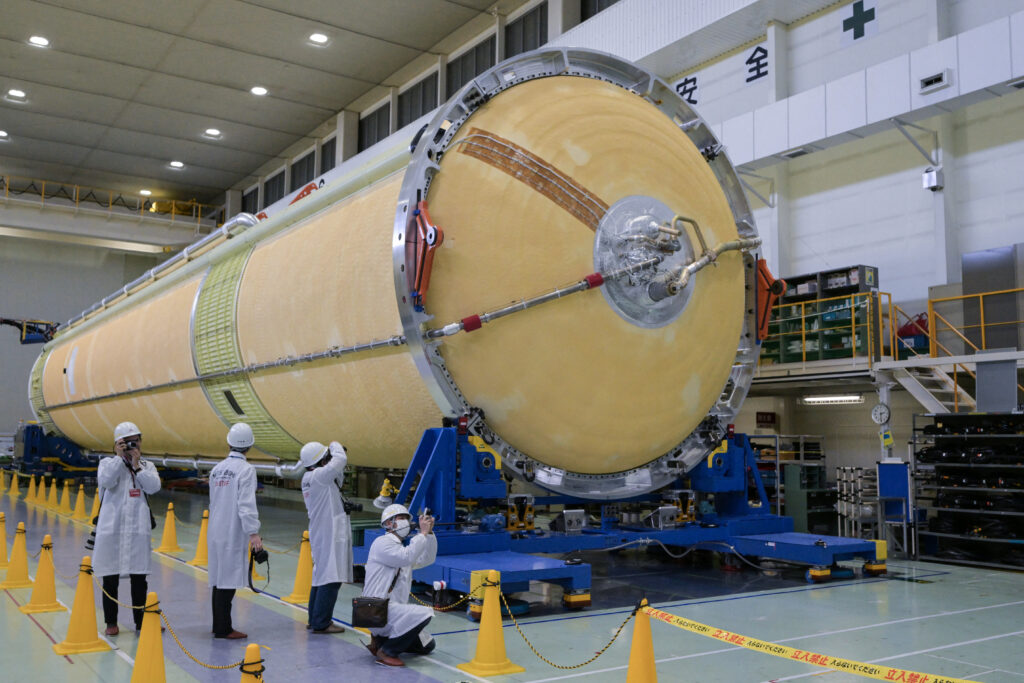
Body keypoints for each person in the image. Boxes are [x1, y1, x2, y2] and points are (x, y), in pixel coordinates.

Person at [93, 421, 162, 636]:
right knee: (110, 578)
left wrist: (137, 465)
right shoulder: (107, 464)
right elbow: (106, 481)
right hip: (112, 530)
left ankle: (141, 622)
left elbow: (154, 487)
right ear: (117, 444)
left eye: (136, 441)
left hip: (137, 531)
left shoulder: (147, 466)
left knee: (139, 578)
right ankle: (111, 623)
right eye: (127, 442)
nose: (133, 445)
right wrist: (118, 458)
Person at [361, 504, 437, 667]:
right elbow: (406, 557)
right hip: (373, 608)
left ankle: (380, 641)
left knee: (427, 645)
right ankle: (387, 651)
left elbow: (427, 559)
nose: (406, 523)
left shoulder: (401, 549)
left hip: (387, 610)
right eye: (402, 518)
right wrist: (422, 534)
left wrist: (429, 534)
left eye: (407, 519)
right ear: (389, 523)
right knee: (425, 613)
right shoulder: (382, 543)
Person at [207, 422, 263, 639]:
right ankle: (223, 628)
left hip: (215, 528)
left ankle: (218, 624)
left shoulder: (217, 469)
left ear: (229, 442)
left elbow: (214, 501)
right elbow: (246, 504)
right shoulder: (246, 470)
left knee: (219, 578)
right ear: (249, 446)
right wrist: (254, 533)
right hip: (232, 530)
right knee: (227, 580)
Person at [298, 440, 353, 634]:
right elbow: (341, 459)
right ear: (322, 461)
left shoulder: (311, 477)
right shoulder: (319, 476)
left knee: (320, 576)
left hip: (322, 531)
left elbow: (337, 476)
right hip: (328, 533)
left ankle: (314, 619)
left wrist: (328, 455)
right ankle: (322, 622)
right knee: (331, 577)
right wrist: (335, 445)